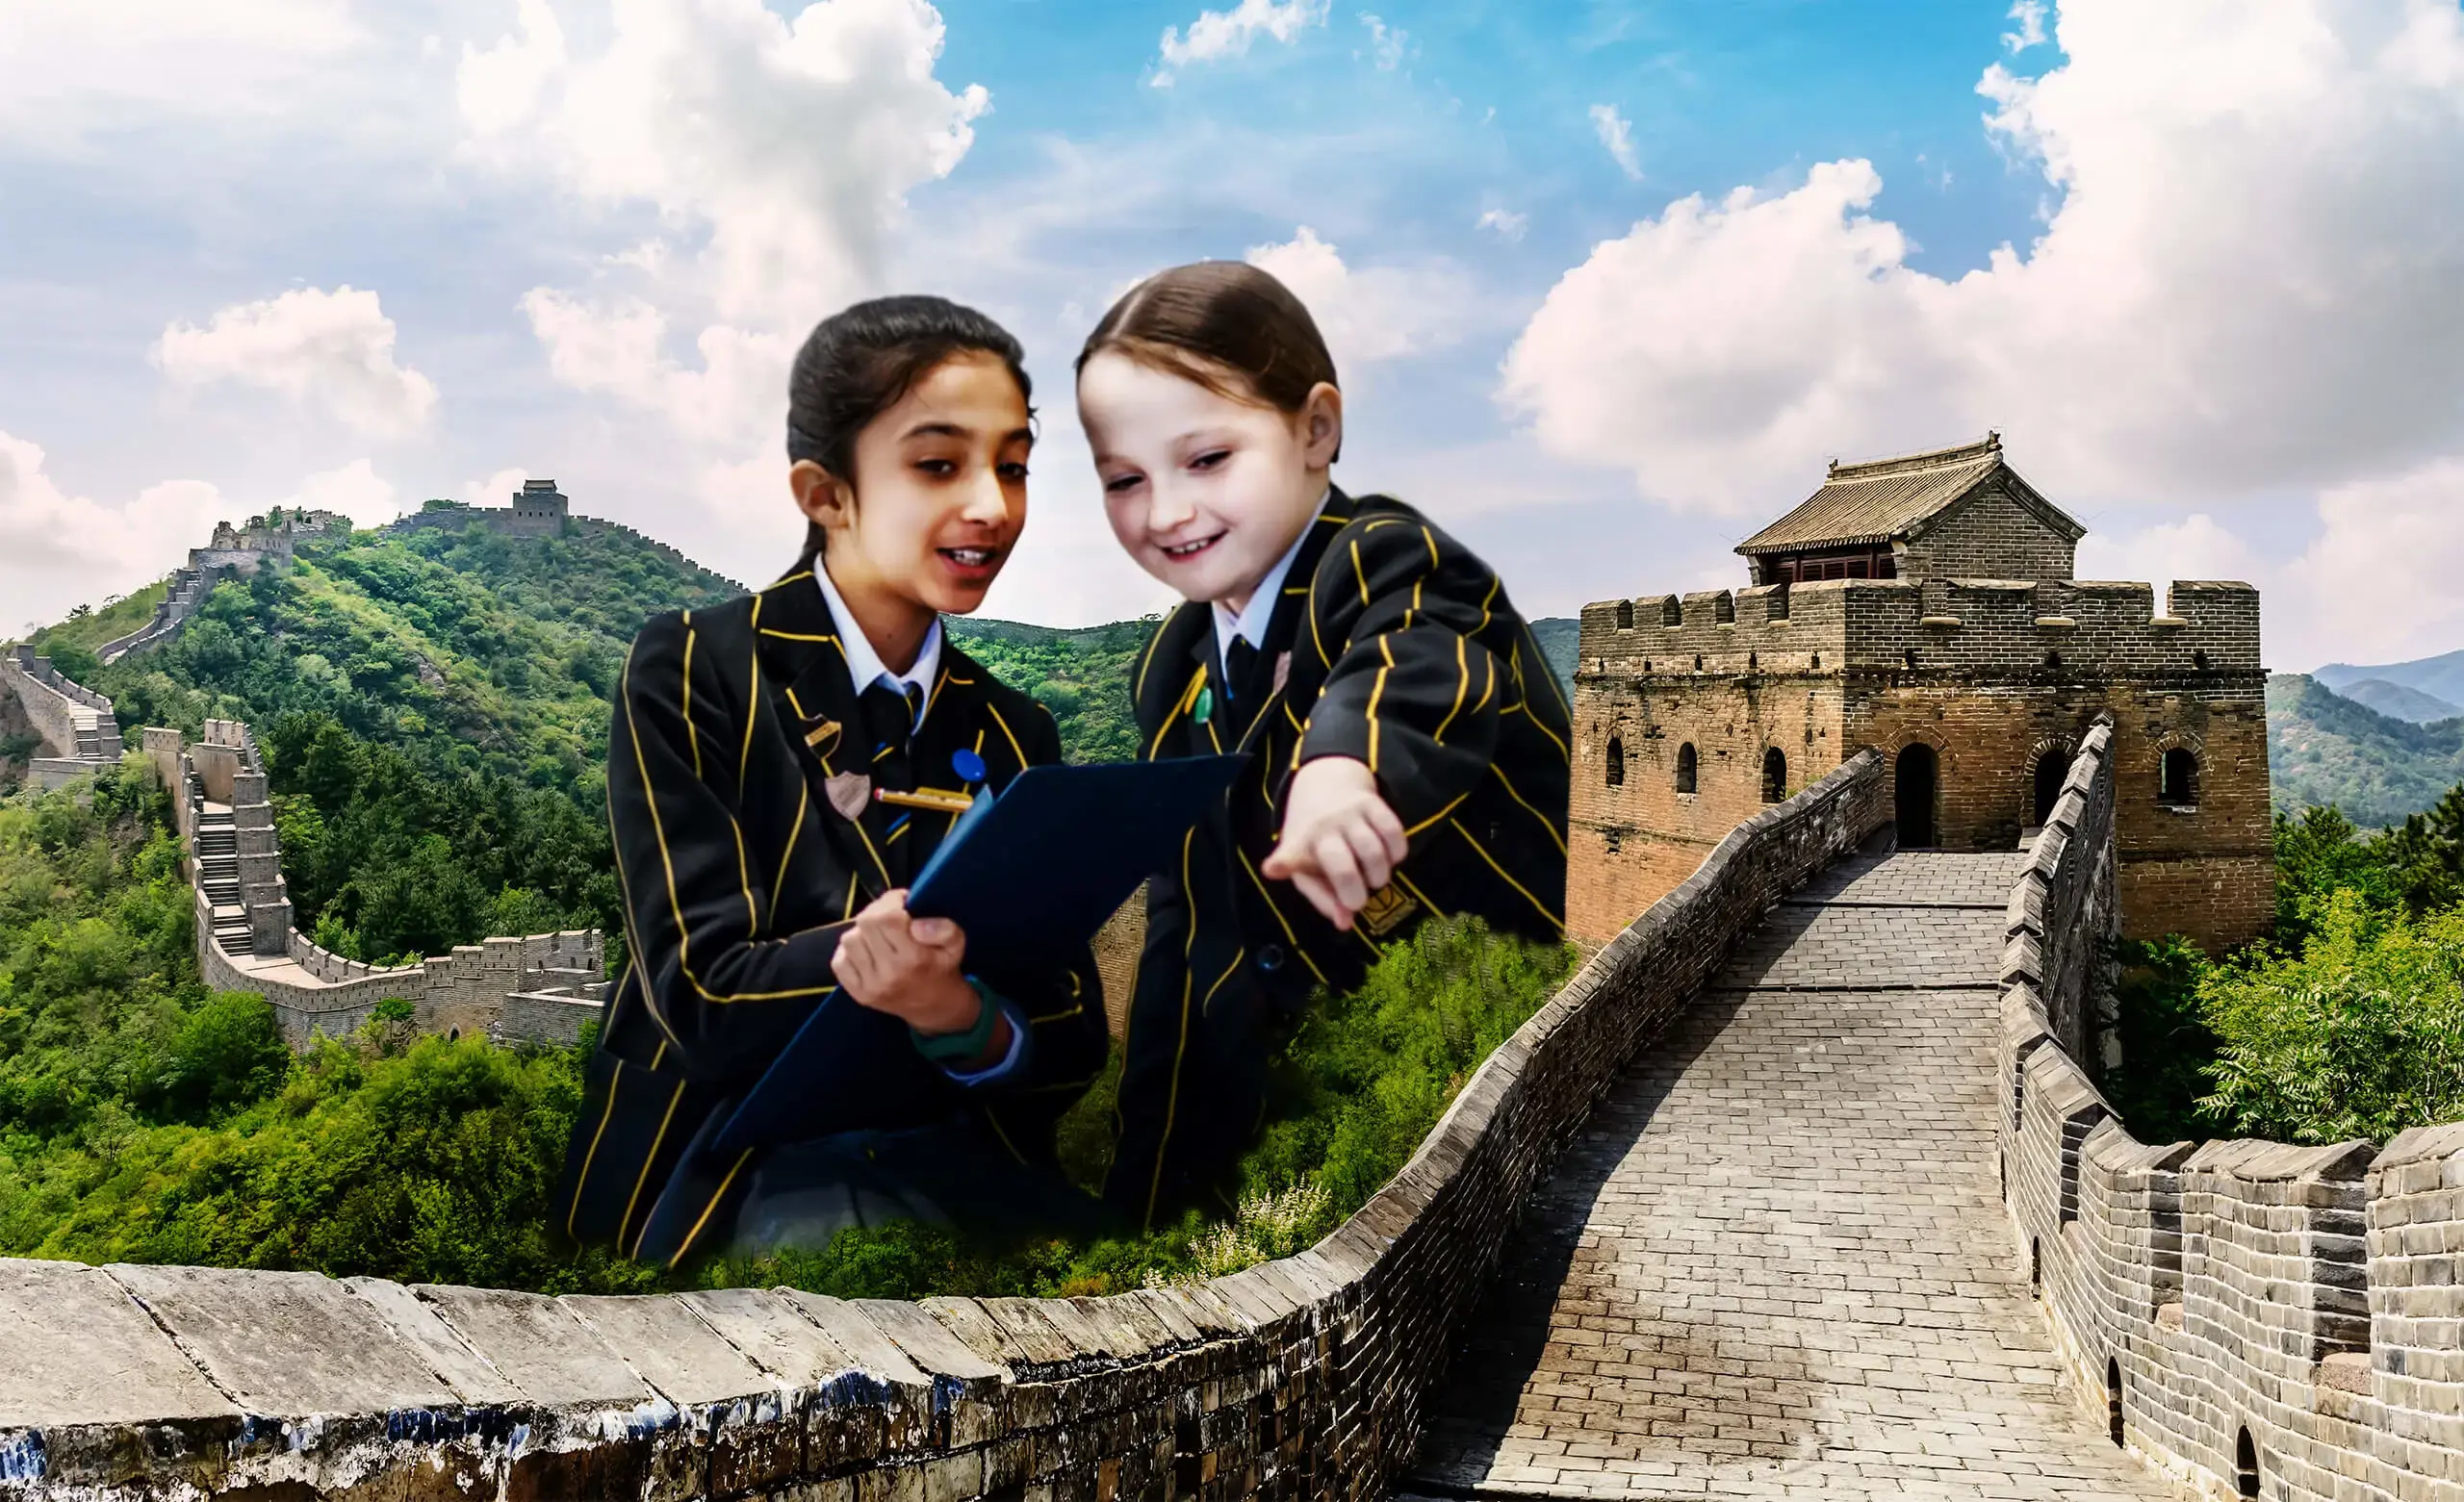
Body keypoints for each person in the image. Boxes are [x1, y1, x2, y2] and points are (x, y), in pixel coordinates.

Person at [554, 295, 1108, 1267]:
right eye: (938, 464)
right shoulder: (699, 667)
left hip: (953, 1154)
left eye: (1012, 467)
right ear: (826, 493)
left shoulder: (1017, 731)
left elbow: (1067, 1029)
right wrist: (872, 964)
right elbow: (699, 996)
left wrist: (959, 1017)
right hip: (738, 1166)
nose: (991, 505)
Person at [1075, 261, 1572, 1230]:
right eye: (1127, 479)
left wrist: (1343, 768)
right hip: (1328, 1079)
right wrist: (1144, 1208)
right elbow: (1185, 960)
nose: (1167, 511)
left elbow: (1413, 657)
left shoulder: (1385, 556)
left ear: (1314, 428)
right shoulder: (1172, 675)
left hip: (1485, 1023)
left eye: (1208, 459)